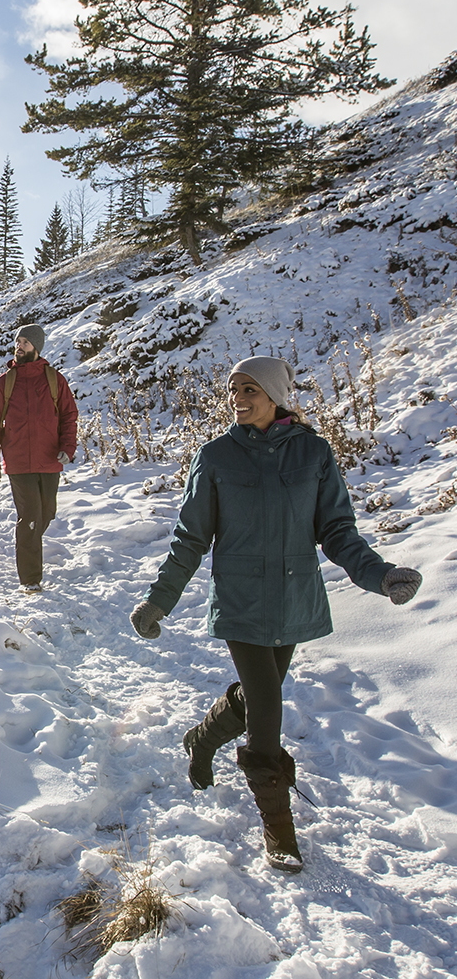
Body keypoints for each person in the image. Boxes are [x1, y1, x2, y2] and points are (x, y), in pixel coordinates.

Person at [129, 355, 423, 873]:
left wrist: (380, 575)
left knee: (255, 698)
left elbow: (337, 531)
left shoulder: (313, 454)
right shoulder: (216, 456)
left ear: (276, 396)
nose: (238, 399)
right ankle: (279, 829)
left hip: (293, 600)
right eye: (233, 390)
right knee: (267, 709)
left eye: (249, 390)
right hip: (241, 601)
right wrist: (160, 602)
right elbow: (191, 538)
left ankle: (203, 737)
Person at [0, 324, 78, 593]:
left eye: (25, 342)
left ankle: (29, 550)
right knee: (31, 517)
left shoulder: (54, 379)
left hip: (49, 461)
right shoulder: (5, 383)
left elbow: (69, 415)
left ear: (37, 346)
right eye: (18, 341)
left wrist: (67, 448)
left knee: (47, 514)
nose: (19, 346)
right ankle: (30, 579)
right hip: (19, 463)